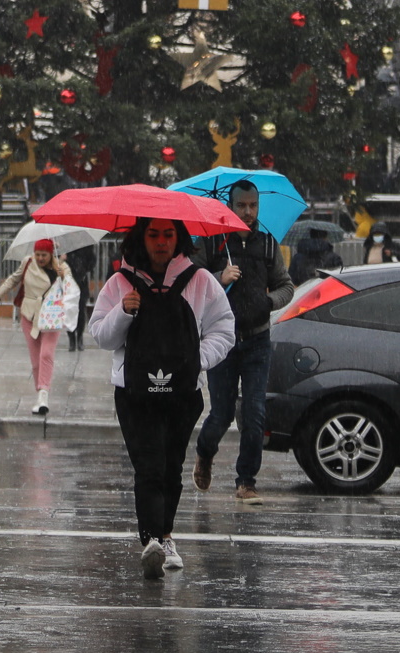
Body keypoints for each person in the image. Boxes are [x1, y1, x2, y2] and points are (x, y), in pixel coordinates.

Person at [89, 218, 235, 579]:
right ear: (142, 237)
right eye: (153, 234)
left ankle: (166, 534)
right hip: (134, 393)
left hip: (183, 393)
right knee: (148, 465)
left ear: (178, 238)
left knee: (171, 467)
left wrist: (196, 360)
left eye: (168, 234)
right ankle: (152, 539)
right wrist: (123, 312)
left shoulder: (200, 281)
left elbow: (224, 328)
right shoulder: (119, 283)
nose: (161, 242)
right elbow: (101, 336)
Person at [193, 182, 294, 503]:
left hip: (257, 339)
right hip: (221, 341)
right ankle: (204, 453)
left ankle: (246, 481)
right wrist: (217, 277)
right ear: (230, 206)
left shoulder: (267, 245)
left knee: (254, 412)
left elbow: (286, 286)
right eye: (242, 206)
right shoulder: (211, 243)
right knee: (221, 414)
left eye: (253, 205)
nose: (248, 212)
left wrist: (269, 302)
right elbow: (190, 278)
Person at [0, 239, 72, 416]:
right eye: (38, 254)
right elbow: (13, 279)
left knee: (46, 354)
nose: (40, 258)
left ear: (51, 254)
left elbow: (72, 291)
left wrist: (63, 276)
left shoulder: (62, 267)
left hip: (52, 317)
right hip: (29, 315)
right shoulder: (27, 262)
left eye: (44, 255)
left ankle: (44, 394)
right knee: (36, 361)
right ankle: (39, 393)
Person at [63, 243, 98, 352]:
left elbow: (92, 261)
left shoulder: (86, 245)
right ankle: (71, 338)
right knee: (69, 311)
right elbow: (56, 263)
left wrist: (84, 268)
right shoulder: (65, 245)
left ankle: (79, 337)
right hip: (68, 282)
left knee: (80, 310)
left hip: (81, 282)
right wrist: (62, 259)